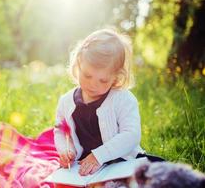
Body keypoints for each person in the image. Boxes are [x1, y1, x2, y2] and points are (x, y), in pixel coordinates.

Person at [54, 28, 150, 186]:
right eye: (87, 75)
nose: (93, 84)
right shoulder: (66, 101)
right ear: (78, 65)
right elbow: (61, 130)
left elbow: (131, 135)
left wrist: (98, 156)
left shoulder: (123, 99)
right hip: (83, 167)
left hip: (120, 163)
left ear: (116, 77)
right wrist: (66, 150)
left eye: (103, 80)